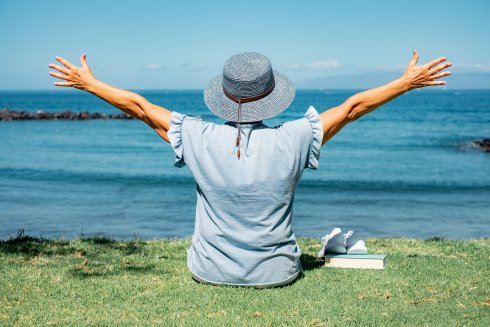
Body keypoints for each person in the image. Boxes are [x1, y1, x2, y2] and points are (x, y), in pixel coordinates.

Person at [48, 50, 451, 288]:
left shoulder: (197, 135)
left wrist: (90, 84)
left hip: (209, 272)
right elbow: (351, 108)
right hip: (278, 273)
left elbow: (138, 107)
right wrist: (404, 84)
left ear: (222, 95)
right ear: (272, 96)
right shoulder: (294, 137)